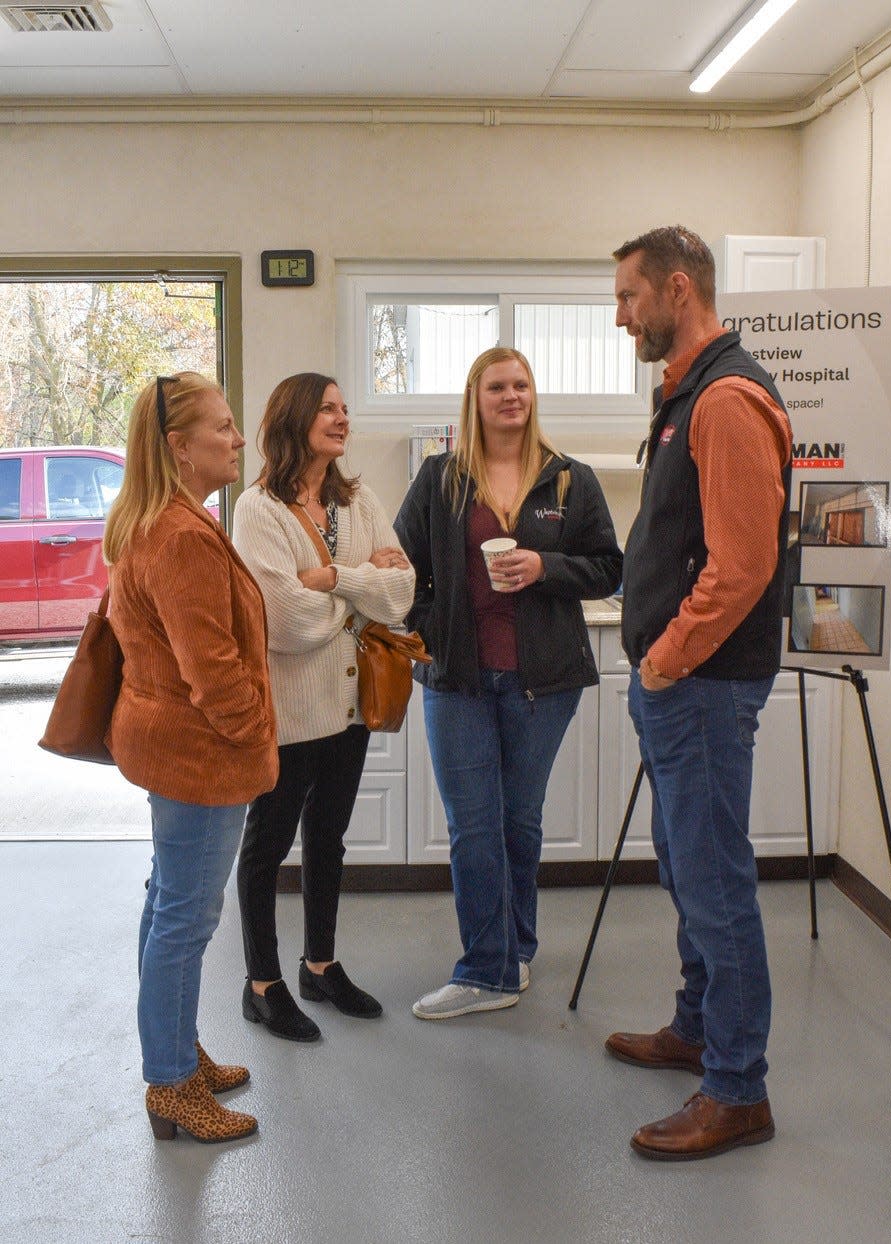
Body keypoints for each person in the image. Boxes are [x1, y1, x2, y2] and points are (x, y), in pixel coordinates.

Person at [607, 225, 792, 1160]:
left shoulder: (725, 399)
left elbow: (743, 565)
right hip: (679, 685)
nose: (620, 314)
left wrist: (668, 656)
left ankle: (737, 1088)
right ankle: (696, 1029)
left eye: (630, 297)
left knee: (714, 879)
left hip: (705, 686)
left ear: (679, 289)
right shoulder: (684, 393)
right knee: (685, 862)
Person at [395, 347, 622, 1020]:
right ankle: (486, 969)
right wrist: (427, 625)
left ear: (533, 394)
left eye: (521, 384)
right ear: (476, 396)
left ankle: (513, 948)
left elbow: (610, 568)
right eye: (497, 386)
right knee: (474, 825)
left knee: (519, 822)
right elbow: (403, 568)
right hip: (457, 678)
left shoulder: (567, 481)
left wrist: (544, 567)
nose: (511, 395)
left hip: (544, 680)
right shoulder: (440, 478)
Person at [104, 372, 278, 1144]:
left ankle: (175, 1052)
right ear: (180, 446)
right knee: (184, 917)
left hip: (167, 747)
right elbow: (213, 674)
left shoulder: (158, 520)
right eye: (225, 427)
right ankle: (171, 1083)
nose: (238, 440)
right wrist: (253, 737)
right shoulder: (178, 536)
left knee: (166, 902)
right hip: (200, 758)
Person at [232, 372, 414, 1041]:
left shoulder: (356, 499)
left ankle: (319, 965)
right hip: (290, 708)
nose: (343, 417)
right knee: (267, 845)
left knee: (328, 839)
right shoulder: (258, 510)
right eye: (329, 408)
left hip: (349, 707)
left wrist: (337, 578)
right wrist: (363, 593)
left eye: (346, 408)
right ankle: (263, 983)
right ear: (296, 417)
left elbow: (402, 593)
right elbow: (285, 621)